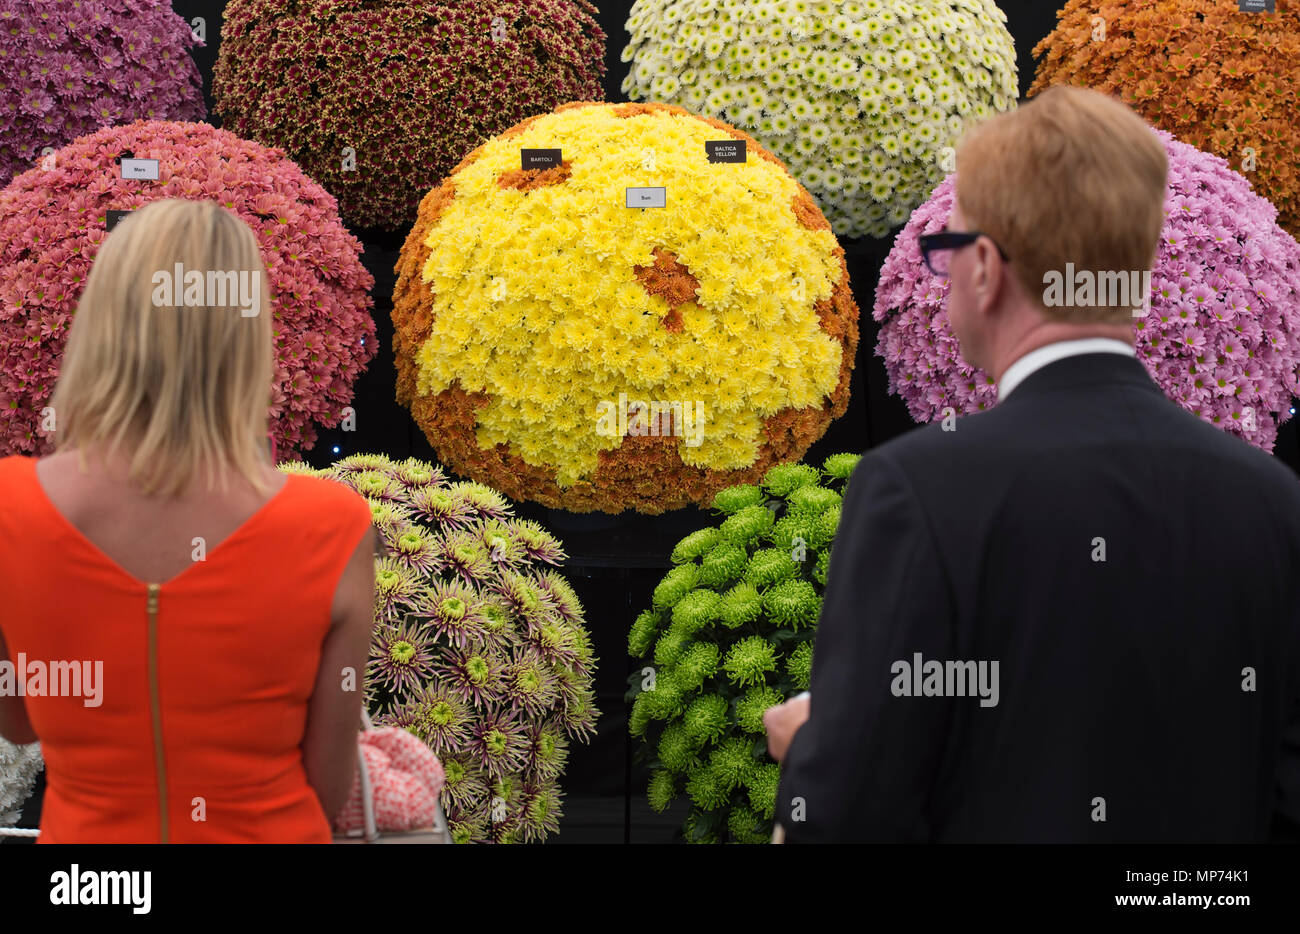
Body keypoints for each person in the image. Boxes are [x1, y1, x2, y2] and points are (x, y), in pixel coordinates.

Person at [763, 86, 1300, 843]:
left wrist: (810, 750)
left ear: (983, 269)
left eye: (945, 251)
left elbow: (854, 815)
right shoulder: (1273, 503)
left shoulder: (916, 491)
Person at [0, 199, 376, 843]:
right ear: (246, 335)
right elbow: (328, 783)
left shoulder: (12, 507)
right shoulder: (331, 524)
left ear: (102, 321)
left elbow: (19, 722)